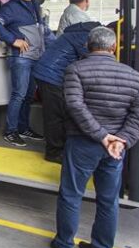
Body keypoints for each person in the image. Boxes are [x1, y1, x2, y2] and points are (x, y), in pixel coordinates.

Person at [50, 27, 139, 248]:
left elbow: (74, 106)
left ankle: (64, 246)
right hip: (114, 149)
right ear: (113, 47)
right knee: (108, 199)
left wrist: (102, 135)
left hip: (83, 143)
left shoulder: (75, 70)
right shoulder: (133, 75)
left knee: (71, 195)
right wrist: (120, 139)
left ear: (88, 45)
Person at [0, 0, 52, 147]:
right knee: (19, 94)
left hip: (35, 56)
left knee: (28, 96)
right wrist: (13, 40)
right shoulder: (11, 7)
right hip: (21, 58)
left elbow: (42, 30)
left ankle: (23, 127)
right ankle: (10, 132)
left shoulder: (34, 5)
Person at [33, 21, 101, 163]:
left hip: (47, 73)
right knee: (55, 115)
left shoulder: (75, 32)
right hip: (51, 76)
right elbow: (92, 58)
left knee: (60, 113)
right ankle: (53, 152)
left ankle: (59, 147)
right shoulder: (85, 36)